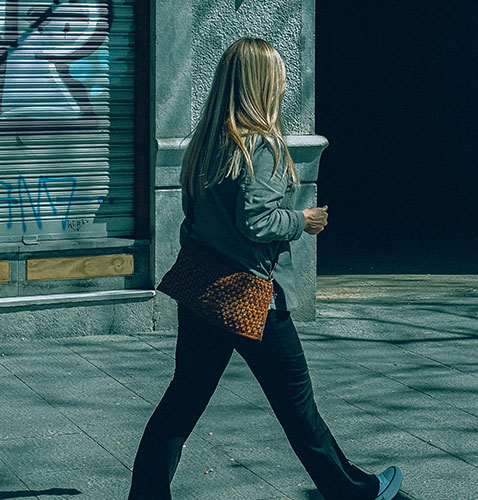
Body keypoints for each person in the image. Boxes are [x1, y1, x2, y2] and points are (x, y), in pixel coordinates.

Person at [127, 38, 403, 500]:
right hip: (253, 299)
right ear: (261, 84)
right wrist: (303, 220)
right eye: (277, 77)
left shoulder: (206, 143)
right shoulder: (262, 146)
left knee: (181, 403)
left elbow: (193, 218)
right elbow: (257, 221)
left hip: (202, 292)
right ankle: (354, 491)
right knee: (298, 407)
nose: (282, 85)